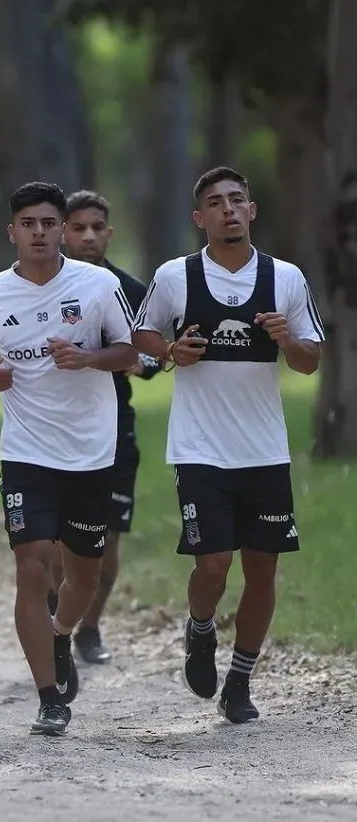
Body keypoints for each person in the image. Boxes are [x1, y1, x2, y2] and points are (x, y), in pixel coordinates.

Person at [131, 166, 324, 724]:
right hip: (199, 448)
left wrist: (287, 339)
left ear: (252, 209)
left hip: (265, 450)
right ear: (200, 218)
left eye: (237, 199)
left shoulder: (285, 278)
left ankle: (241, 679)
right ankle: (200, 627)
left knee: (262, 570)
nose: (228, 209)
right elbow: (144, 336)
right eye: (215, 203)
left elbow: (310, 362)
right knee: (212, 564)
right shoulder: (176, 277)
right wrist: (172, 351)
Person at [0, 181, 137, 736]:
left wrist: (88, 359)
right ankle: (48, 698)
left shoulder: (96, 284)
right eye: (28, 224)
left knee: (83, 576)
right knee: (31, 561)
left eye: (48, 223)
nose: (38, 233)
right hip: (26, 451)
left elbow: (130, 352)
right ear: (11, 230)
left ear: (61, 229)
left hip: (90, 452)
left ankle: (62, 633)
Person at [47, 190, 162, 664]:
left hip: (114, 426)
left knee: (106, 536)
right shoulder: (39, 284)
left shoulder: (130, 290)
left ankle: (89, 628)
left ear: (109, 233)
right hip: (51, 425)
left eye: (97, 227)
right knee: (55, 535)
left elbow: (154, 358)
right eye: (78, 227)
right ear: (62, 231)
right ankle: (58, 619)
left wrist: (114, 358)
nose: (88, 236)